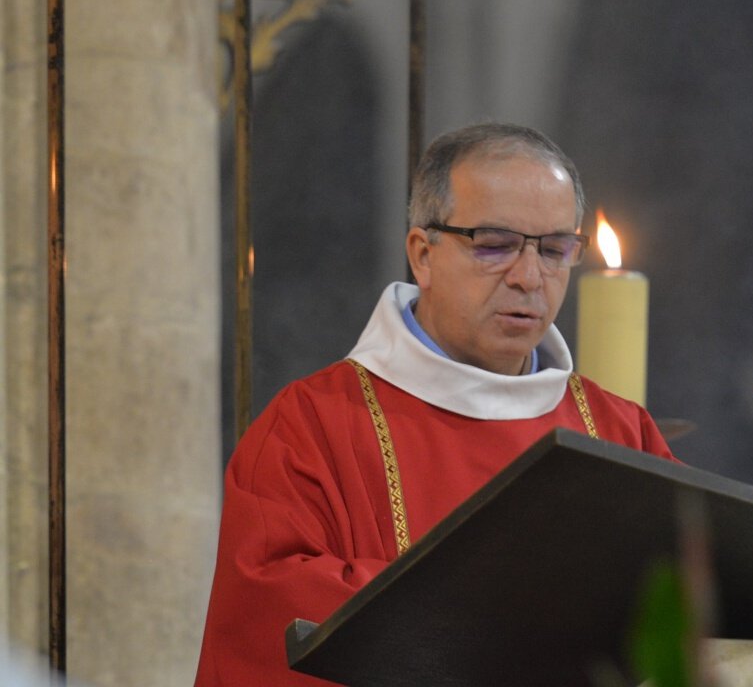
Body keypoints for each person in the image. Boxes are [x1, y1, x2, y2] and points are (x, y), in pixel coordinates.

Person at [195, 122, 677, 685]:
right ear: (423, 255)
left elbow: (688, 615)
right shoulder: (311, 429)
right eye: (495, 245)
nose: (529, 277)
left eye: (553, 250)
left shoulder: (619, 430)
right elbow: (268, 630)